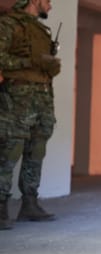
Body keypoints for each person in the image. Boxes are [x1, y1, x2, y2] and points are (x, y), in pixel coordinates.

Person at [0, 0, 60, 230]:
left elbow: (41, 67)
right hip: (16, 99)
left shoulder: (40, 31)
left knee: (37, 151)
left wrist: (51, 66)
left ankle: (30, 204)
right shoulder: (7, 24)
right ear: (35, 1)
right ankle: (1, 207)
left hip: (41, 98)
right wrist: (31, 62)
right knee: (9, 151)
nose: (51, 6)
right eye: (48, 1)